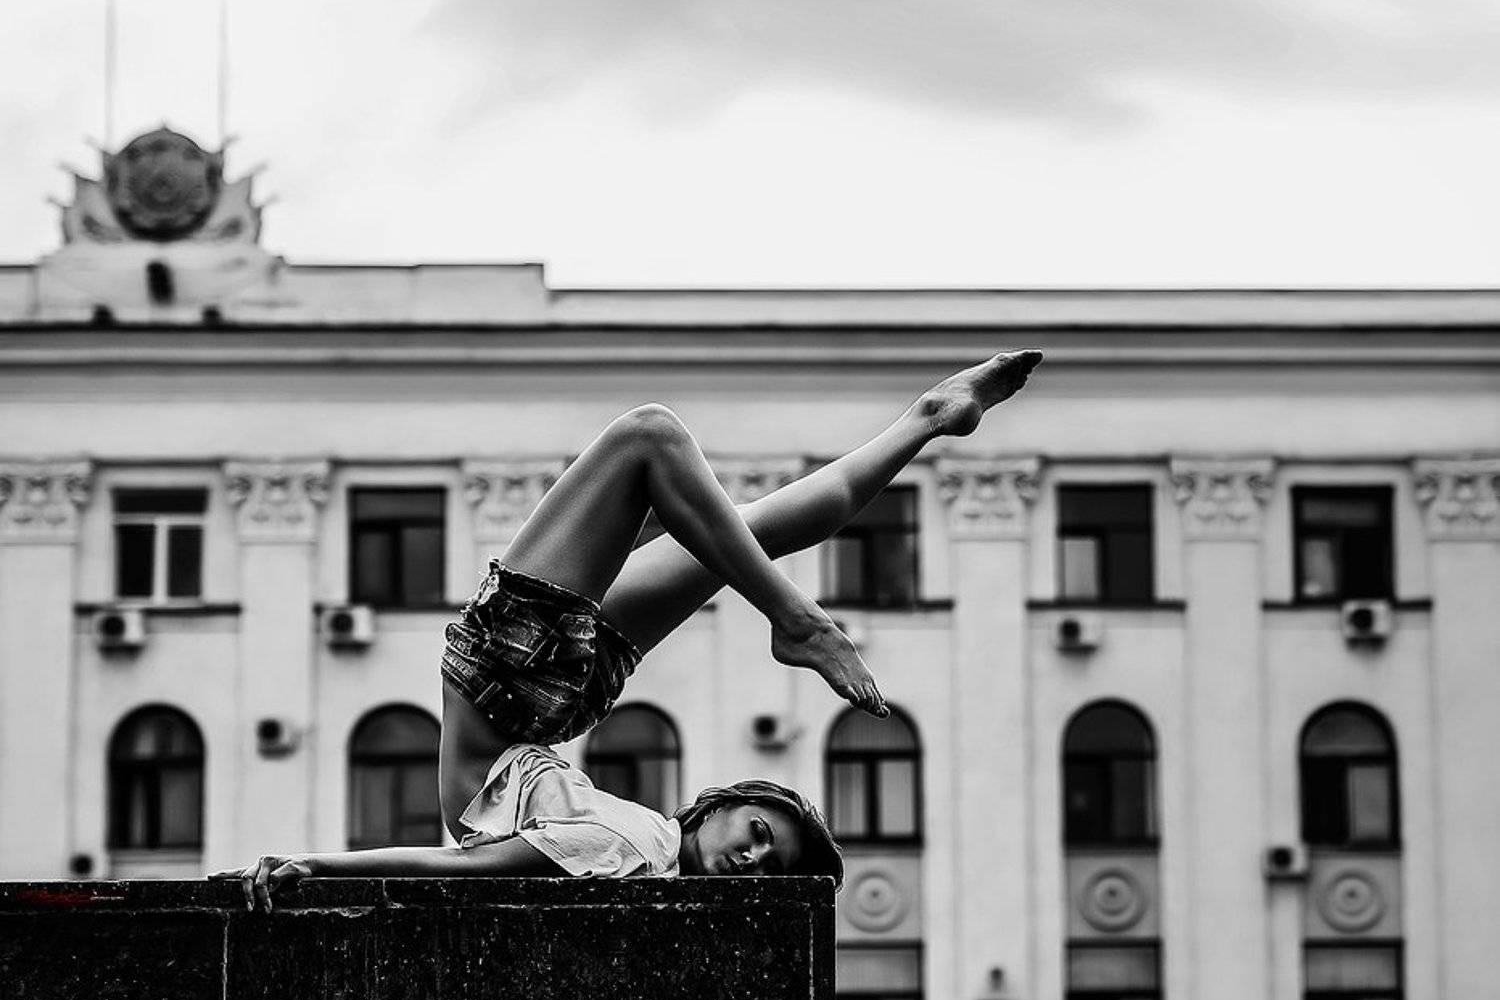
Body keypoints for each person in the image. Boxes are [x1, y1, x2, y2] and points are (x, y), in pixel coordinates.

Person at [213, 348, 1043, 910]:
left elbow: (464, 867)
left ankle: (797, 609)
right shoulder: (643, 845)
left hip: (519, 682)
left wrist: (317, 867)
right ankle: (926, 421)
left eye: (769, 862)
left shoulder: (627, 854)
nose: (756, 860)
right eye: (760, 837)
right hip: (536, 693)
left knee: (656, 443)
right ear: (720, 806)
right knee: (743, 523)